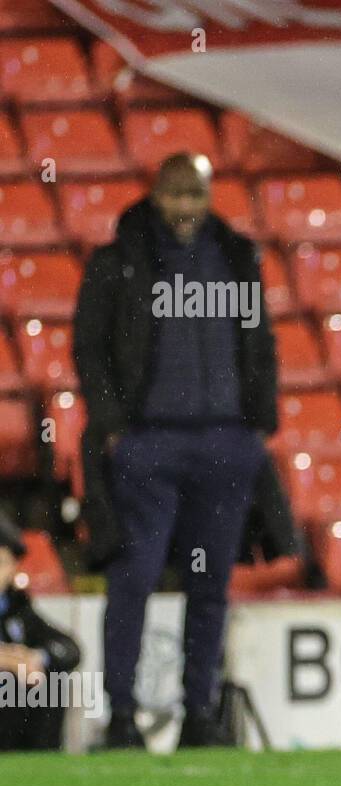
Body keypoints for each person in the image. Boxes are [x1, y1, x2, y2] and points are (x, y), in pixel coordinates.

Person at [72, 153, 278, 749]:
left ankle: (199, 715)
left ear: (209, 197)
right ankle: (121, 718)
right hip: (148, 443)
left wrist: (255, 426)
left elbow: (260, 340)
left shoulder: (237, 257)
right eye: (175, 196)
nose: (185, 209)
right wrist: (113, 427)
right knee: (132, 578)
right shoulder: (119, 262)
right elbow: (89, 347)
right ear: (156, 195)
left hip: (224, 444)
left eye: (195, 196)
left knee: (211, 583)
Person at [0, 514, 82, 751]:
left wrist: (35, 658)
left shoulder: (18, 609)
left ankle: (41, 759)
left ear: (14, 568)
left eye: (2, 562)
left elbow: (69, 648)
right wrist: (9, 660)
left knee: (48, 677)